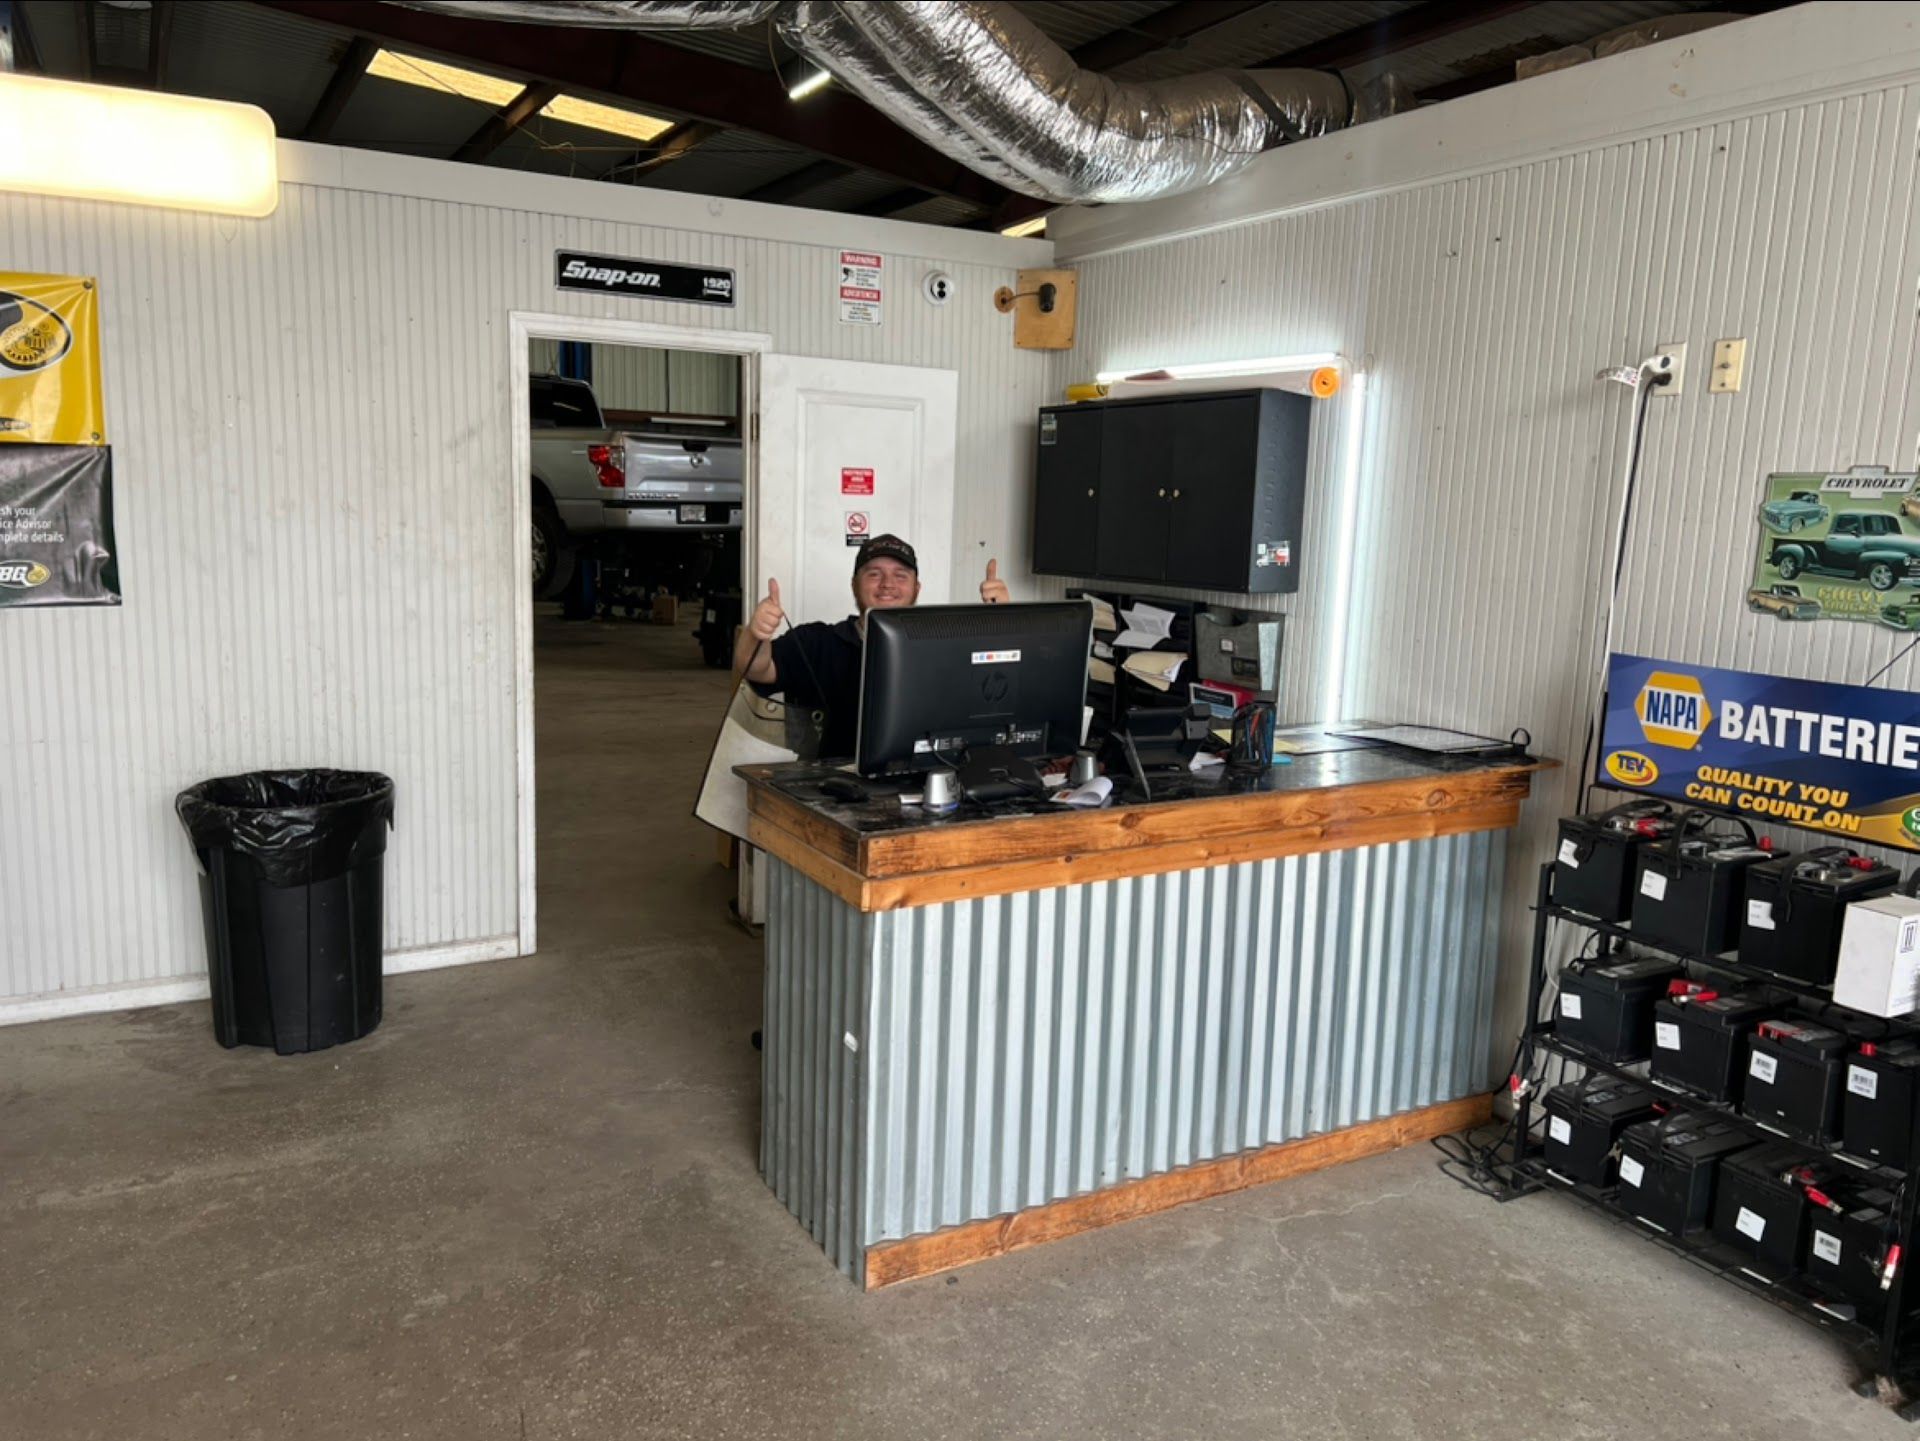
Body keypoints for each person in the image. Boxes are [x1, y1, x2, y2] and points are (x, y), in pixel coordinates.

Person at [731, 535, 1010, 760]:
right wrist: (757, 635)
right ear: (854, 585)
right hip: (834, 792)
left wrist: (1006, 623)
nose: (888, 584)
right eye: (874, 574)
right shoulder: (816, 642)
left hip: (928, 784)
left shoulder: (946, 647)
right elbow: (756, 670)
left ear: (917, 588)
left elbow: (996, 691)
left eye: (901, 575)